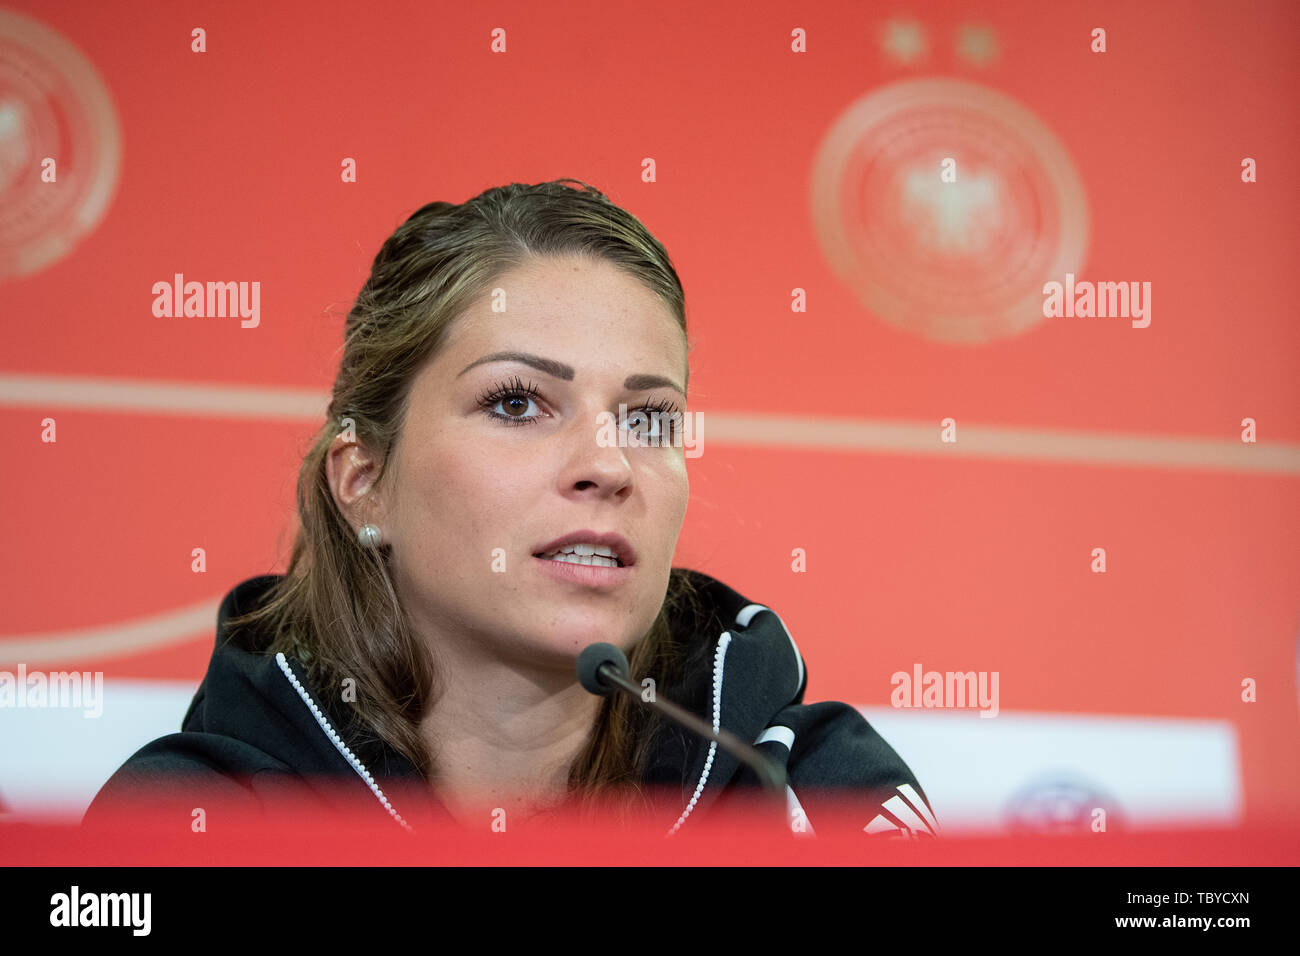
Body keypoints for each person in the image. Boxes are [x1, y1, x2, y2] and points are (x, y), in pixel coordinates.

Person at [83, 179, 937, 840]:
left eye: (648, 419)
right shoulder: (186, 820)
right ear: (365, 481)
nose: (607, 464)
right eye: (518, 404)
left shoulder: (813, 793)